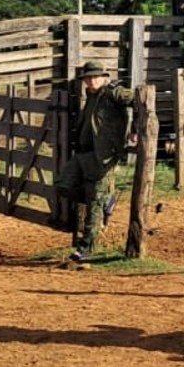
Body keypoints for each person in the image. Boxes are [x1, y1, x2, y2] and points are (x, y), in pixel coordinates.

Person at [62, 61, 134, 263]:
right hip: (84, 154)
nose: (91, 80)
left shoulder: (113, 93)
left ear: (104, 77)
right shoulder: (91, 96)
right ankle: (105, 201)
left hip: (103, 156)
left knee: (94, 203)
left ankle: (85, 249)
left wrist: (135, 128)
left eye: (95, 77)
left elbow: (139, 99)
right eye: (88, 77)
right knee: (63, 185)